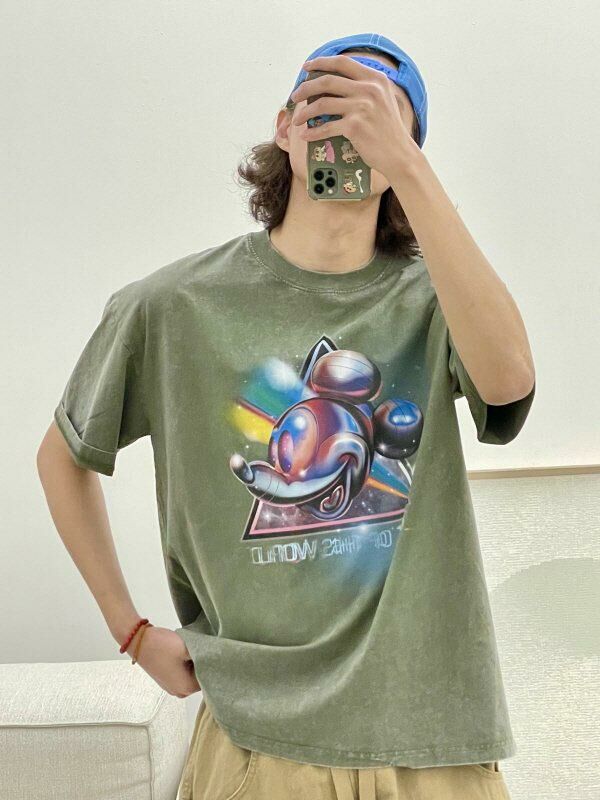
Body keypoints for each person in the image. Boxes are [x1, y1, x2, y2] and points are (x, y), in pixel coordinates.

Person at [37, 32, 535, 800]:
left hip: (438, 740)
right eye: (327, 100)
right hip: (260, 741)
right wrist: (129, 630)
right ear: (284, 126)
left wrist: (410, 169)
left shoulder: (441, 298)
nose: (351, 123)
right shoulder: (172, 306)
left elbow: (507, 386)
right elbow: (62, 457)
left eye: (380, 111)